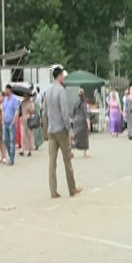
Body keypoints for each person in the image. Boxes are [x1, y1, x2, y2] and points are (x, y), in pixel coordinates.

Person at [46, 65, 83, 198]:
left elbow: (46, 112)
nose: (64, 78)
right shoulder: (61, 91)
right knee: (67, 160)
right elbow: (64, 112)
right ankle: (71, 188)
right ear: (60, 76)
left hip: (51, 129)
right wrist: (70, 130)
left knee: (52, 161)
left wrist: (47, 127)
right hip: (61, 129)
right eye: (63, 76)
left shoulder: (48, 90)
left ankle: (53, 190)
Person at [2, 85, 20, 166]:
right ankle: (10, 155)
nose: (5, 91)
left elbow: (17, 110)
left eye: (7, 90)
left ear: (10, 90)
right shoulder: (5, 99)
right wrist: (3, 119)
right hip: (5, 122)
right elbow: (3, 110)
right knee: (5, 139)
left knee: (12, 141)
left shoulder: (15, 99)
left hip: (12, 123)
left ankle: (12, 159)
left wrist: (14, 120)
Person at [71, 88, 90, 158]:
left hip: (76, 120)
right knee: (84, 137)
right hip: (82, 121)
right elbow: (86, 114)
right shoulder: (84, 104)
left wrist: (73, 120)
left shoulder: (76, 103)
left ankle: (72, 151)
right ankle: (85, 153)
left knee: (75, 137)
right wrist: (88, 124)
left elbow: (73, 113)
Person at [0, 91, 8, 164]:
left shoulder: (6, 104)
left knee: (3, 140)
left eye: (0, 96)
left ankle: (4, 156)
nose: (0, 98)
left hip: (5, 122)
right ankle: (2, 155)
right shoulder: (0, 104)